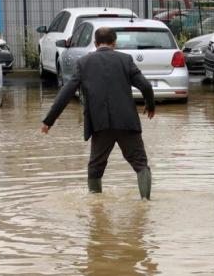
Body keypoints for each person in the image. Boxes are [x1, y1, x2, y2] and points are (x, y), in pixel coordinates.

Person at [40, 27, 156, 199]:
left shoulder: (84, 63)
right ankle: (146, 202)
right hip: (127, 122)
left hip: (100, 124)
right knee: (141, 164)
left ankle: (96, 208)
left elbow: (66, 92)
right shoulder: (125, 60)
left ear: (95, 43)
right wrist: (150, 105)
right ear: (114, 43)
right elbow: (145, 86)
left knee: (95, 167)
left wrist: (49, 120)